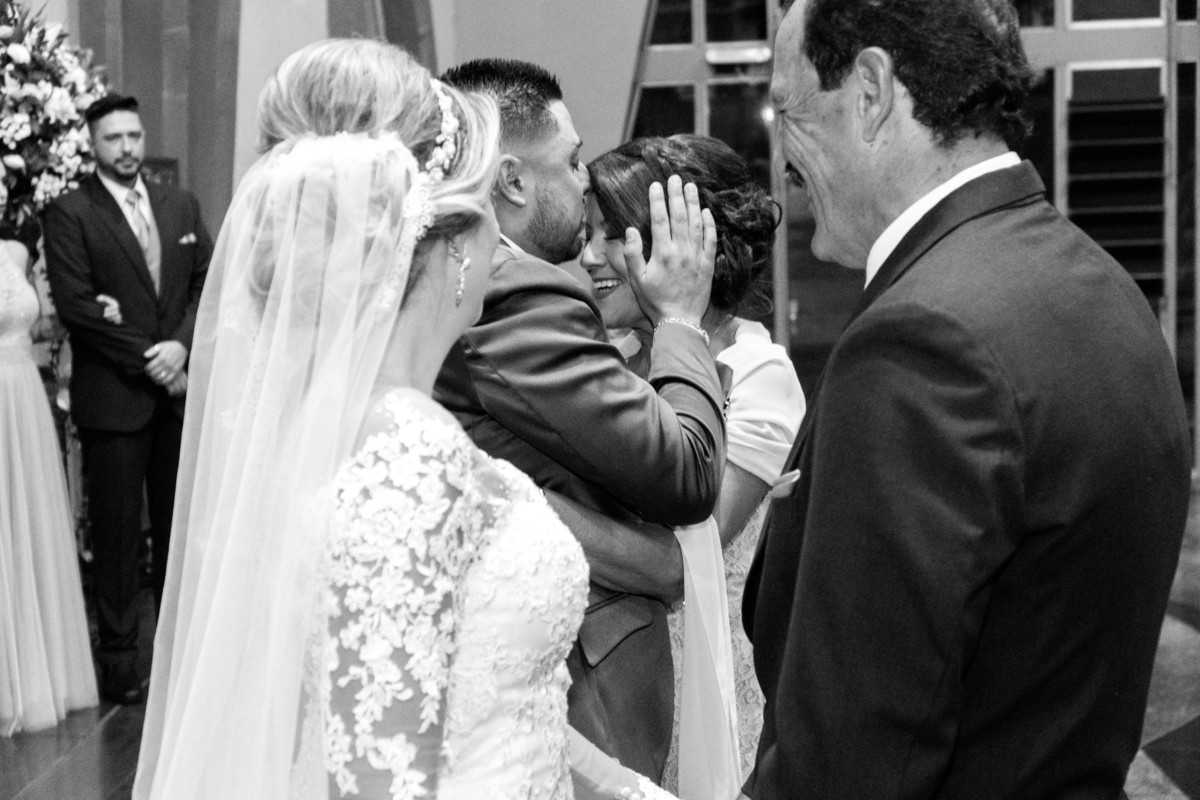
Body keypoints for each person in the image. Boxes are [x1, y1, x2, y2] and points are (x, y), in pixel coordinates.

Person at [133, 39, 693, 800]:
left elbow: (501, 708)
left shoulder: (388, 430)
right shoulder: (405, 462)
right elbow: (382, 774)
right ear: (457, 244)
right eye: (485, 211)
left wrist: (633, 794)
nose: (502, 238)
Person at [742, 1, 1192, 798]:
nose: (781, 160)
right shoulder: (1100, 285)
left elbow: (851, 760)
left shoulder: (921, 341)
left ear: (871, 91)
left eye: (790, 110)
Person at [434, 59, 726, 783]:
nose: (584, 179)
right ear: (512, 181)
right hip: (575, 671)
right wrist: (681, 320)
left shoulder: (461, 282)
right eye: (570, 162)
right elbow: (687, 474)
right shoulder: (517, 295)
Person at [560, 134, 804, 796]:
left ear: (683, 242)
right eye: (587, 233)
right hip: (617, 696)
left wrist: (526, 506)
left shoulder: (758, 373)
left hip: (710, 695)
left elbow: (688, 553)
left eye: (612, 234)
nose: (589, 255)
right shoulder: (605, 362)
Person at [43, 93, 213, 705]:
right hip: (115, 401)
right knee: (116, 539)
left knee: (177, 531)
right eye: (113, 138)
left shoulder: (179, 204)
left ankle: (176, 658)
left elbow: (207, 283)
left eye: (134, 136)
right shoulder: (70, 213)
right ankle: (119, 664)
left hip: (176, 400)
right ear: (93, 144)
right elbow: (76, 307)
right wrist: (154, 359)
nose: (127, 148)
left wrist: (182, 346)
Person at [0, 183, 98, 735]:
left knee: (26, 527)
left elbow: (39, 323)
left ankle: (37, 672)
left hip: (23, 402)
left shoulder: (16, 252)